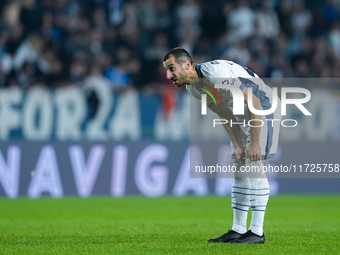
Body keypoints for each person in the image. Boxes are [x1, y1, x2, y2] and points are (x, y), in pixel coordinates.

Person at [162, 47, 281, 244]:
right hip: (242, 113)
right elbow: (224, 113)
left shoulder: (216, 75)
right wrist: (238, 145)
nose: (168, 75)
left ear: (187, 65)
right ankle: (238, 229)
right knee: (239, 169)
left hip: (262, 107)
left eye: (172, 68)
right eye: (167, 70)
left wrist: (253, 142)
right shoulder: (194, 88)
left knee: (254, 166)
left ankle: (257, 233)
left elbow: (254, 100)